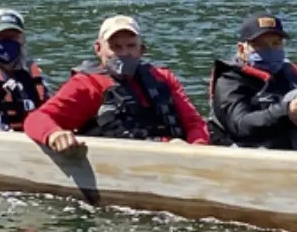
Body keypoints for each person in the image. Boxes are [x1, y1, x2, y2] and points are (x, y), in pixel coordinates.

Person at [24, 15, 210, 154]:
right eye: (115, 47)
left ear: (141, 49)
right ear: (98, 49)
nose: (124, 53)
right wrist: (54, 134)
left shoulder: (163, 78)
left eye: (130, 46)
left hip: (176, 157)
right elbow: (36, 119)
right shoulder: (87, 85)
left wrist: (197, 150)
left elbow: (194, 123)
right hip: (122, 163)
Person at [208, 14, 297, 152]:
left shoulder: (288, 73)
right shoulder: (229, 80)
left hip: (287, 146)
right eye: (260, 45)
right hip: (246, 151)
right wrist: (287, 112)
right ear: (242, 49)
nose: (270, 50)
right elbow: (240, 125)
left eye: (276, 44)